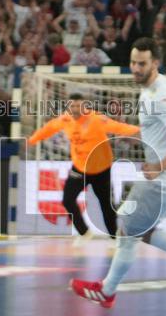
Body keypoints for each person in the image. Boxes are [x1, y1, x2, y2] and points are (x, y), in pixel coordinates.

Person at [70, 38, 166, 308]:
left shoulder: (161, 95)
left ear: (155, 63)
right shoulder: (152, 87)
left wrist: (158, 165)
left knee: (127, 229)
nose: (135, 68)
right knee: (139, 228)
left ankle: (107, 291)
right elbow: (162, 130)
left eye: (142, 63)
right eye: (133, 62)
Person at [27, 92, 139, 240]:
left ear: (85, 106)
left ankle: (114, 237)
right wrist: (32, 140)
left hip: (101, 169)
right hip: (80, 168)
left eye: (78, 105)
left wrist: (137, 130)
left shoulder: (97, 119)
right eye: (72, 105)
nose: (75, 108)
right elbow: (49, 128)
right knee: (67, 200)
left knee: (106, 205)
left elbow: (117, 127)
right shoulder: (65, 119)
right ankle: (84, 233)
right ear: (68, 106)